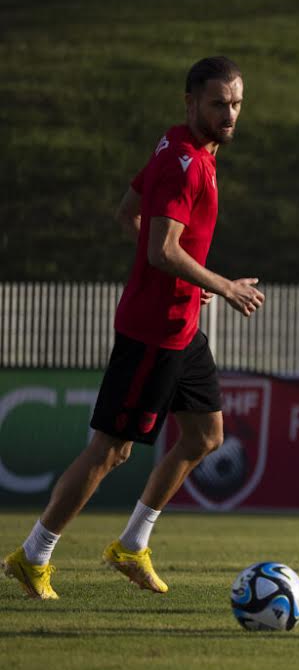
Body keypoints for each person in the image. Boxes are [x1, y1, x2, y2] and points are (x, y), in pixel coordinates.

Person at [4, 56, 265, 601]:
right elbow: (162, 247)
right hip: (154, 333)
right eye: (218, 103)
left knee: (205, 435)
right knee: (109, 452)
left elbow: (128, 214)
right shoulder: (185, 163)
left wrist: (178, 283)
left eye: (236, 103)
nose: (229, 113)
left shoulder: (175, 145)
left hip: (182, 325)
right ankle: (33, 557)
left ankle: (132, 545)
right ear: (190, 102)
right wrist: (220, 284)